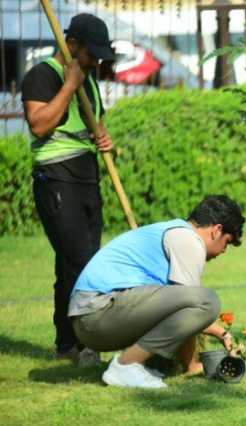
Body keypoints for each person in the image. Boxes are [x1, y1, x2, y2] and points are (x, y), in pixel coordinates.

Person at [68, 195, 245, 388]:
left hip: (91, 319)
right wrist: (223, 334)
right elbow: (196, 305)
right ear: (217, 230)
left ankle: (139, 365)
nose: (224, 250)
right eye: (227, 242)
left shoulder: (175, 231)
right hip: (98, 313)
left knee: (197, 300)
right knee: (208, 301)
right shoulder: (188, 240)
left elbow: (183, 312)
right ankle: (125, 366)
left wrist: (190, 365)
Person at [21, 13, 115, 363]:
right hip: (56, 178)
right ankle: (85, 342)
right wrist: (69, 86)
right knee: (81, 262)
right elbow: (40, 125)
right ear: (71, 45)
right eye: (92, 54)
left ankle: (66, 344)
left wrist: (103, 137)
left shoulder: (87, 81)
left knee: (73, 263)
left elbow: (94, 124)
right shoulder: (42, 76)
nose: (96, 62)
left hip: (87, 177)